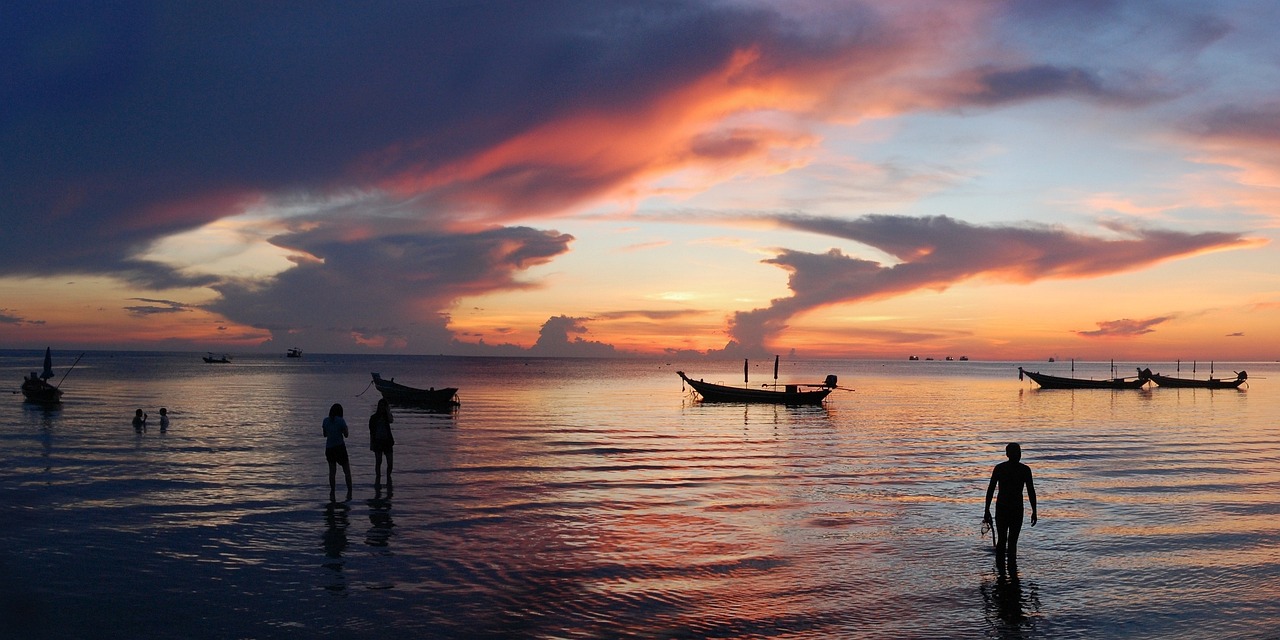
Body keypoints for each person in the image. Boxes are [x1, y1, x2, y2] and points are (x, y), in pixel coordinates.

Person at [984, 442, 1037, 569]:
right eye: (1015, 452)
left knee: (1008, 541)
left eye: (1018, 452)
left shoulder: (1016, 469)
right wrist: (986, 510)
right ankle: (1007, 573)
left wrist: (1034, 510)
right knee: (1007, 541)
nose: (1017, 455)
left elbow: (1031, 491)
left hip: (1012, 508)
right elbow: (990, 489)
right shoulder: (1013, 469)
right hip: (1007, 508)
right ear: (1008, 454)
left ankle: (1005, 572)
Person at [322, 403, 353, 502]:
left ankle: (332, 492)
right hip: (339, 448)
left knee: (332, 472)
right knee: (347, 472)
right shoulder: (341, 421)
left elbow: (325, 435)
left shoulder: (325, 421)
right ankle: (350, 492)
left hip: (329, 448)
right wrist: (345, 429)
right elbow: (346, 435)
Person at [368, 399, 395, 488]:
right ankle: (378, 479)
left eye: (384, 406)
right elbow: (371, 432)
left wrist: (387, 411)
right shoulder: (374, 418)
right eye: (381, 406)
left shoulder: (387, 417)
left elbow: (391, 420)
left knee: (390, 463)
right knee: (378, 461)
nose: (382, 407)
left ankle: (388, 478)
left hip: (387, 441)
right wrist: (371, 444)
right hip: (378, 441)